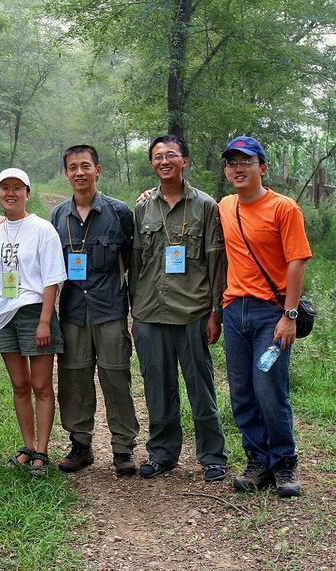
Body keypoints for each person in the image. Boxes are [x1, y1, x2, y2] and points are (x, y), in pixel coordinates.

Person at [129, 135, 228, 482]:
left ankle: (212, 456)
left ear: (184, 160)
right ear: (152, 164)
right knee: (157, 387)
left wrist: (215, 312)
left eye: (171, 155)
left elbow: (216, 263)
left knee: (201, 388)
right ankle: (162, 453)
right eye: (158, 157)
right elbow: (136, 263)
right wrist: (134, 312)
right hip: (150, 312)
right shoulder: (143, 207)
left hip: (193, 312)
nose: (164, 161)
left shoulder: (205, 205)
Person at [218, 136, 311, 497]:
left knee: (269, 389)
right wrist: (151, 193)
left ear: (263, 167)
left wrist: (289, 314)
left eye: (246, 161)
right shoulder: (225, 206)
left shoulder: (284, 208)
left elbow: (296, 261)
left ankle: (285, 463)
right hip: (233, 311)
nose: (238, 168)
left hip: (270, 313)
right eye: (232, 162)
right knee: (242, 391)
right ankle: (257, 461)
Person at [50, 145, 140, 476]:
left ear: (97, 170)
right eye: (72, 167)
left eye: (85, 166)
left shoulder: (119, 212)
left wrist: (134, 310)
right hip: (73, 310)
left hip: (110, 309)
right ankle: (80, 444)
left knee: (116, 376)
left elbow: (131, 262)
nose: (79, 172)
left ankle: (123, 446)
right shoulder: (58, 216)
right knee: (74, 377)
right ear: (66, 173)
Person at [0, 168, 66, 476]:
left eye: (17, 188)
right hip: (3, 314)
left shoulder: (43, 229)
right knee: (19, 385)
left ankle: (42, 452)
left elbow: (52, 279)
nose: (11, 193)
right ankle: (28, 446)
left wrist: (45, 320)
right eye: (4, 188)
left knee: (41, 385)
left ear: (28, 193)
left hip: (34, 312)